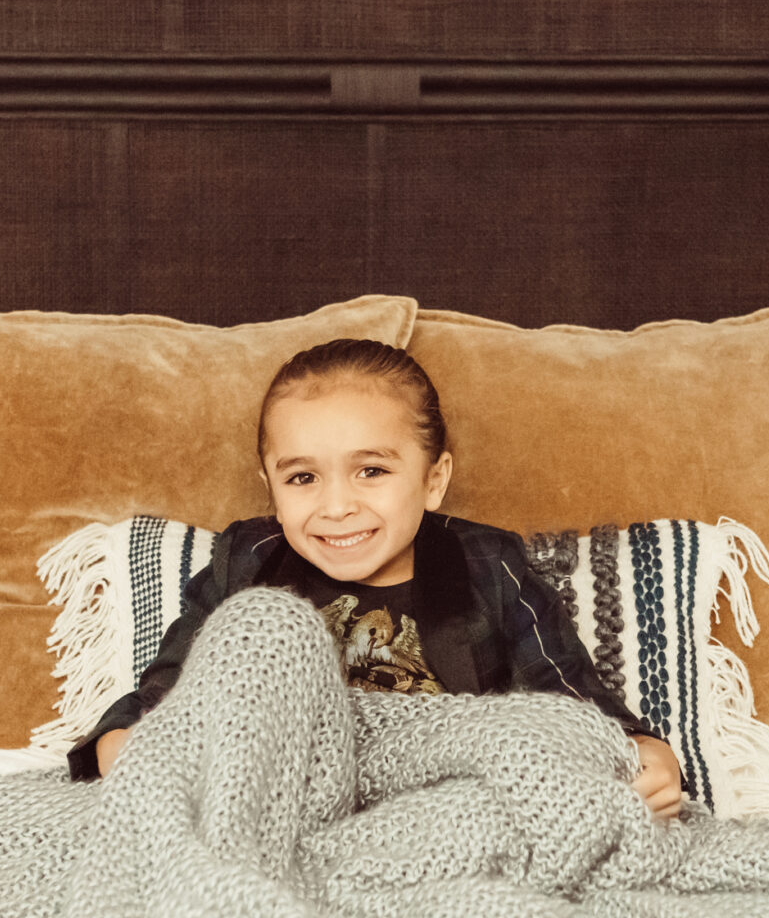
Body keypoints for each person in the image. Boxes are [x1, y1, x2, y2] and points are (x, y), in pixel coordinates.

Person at [66, 339, 687, 819]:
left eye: (370, 471)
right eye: (303, 478)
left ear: (434, 479)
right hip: (290, 797)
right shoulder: (249, 558)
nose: (336, 506)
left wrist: (643, 752)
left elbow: (565, 698)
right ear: (271, 487)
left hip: (441, 798)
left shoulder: (487, 562)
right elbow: (171, 687)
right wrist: (122, 742)